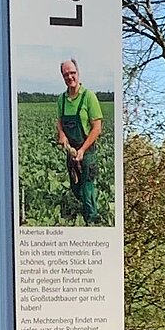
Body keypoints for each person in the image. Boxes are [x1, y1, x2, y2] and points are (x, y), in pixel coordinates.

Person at [56, 57, 104, 222]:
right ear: (62, 77)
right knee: (76, 188)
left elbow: (97, 128)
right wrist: (61, 134)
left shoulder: (89, 97)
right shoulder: (62, 99)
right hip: (71, 151)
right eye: (65, 74)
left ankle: (92, 219)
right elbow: (60, 123)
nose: (70, 77)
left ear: (78, 73)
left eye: (72, 73)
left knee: (87, 187)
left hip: (87, 150)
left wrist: (83, 150)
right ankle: (84, 205)